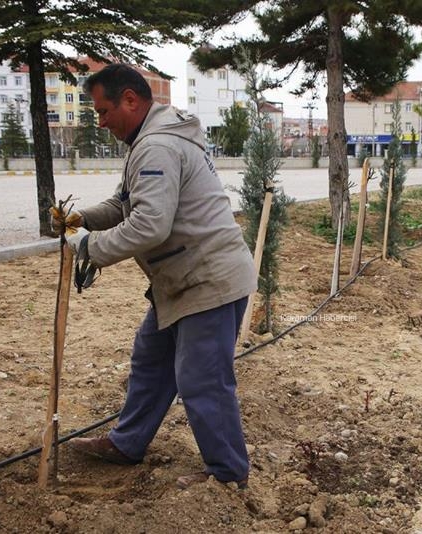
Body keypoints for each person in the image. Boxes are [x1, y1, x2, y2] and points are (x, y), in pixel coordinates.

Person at [56, 63, 257, 490]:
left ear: (131, 99)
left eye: (104, 111)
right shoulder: (148, 142)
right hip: (181, 280)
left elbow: (150, 225)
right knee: (151, 360)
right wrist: (79, 218)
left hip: (208, 281)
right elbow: (124, 203)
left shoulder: (157, 147)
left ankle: (228, 474)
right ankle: (127, 443)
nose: (102, 121)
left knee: (202, 380)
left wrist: (89, 247)